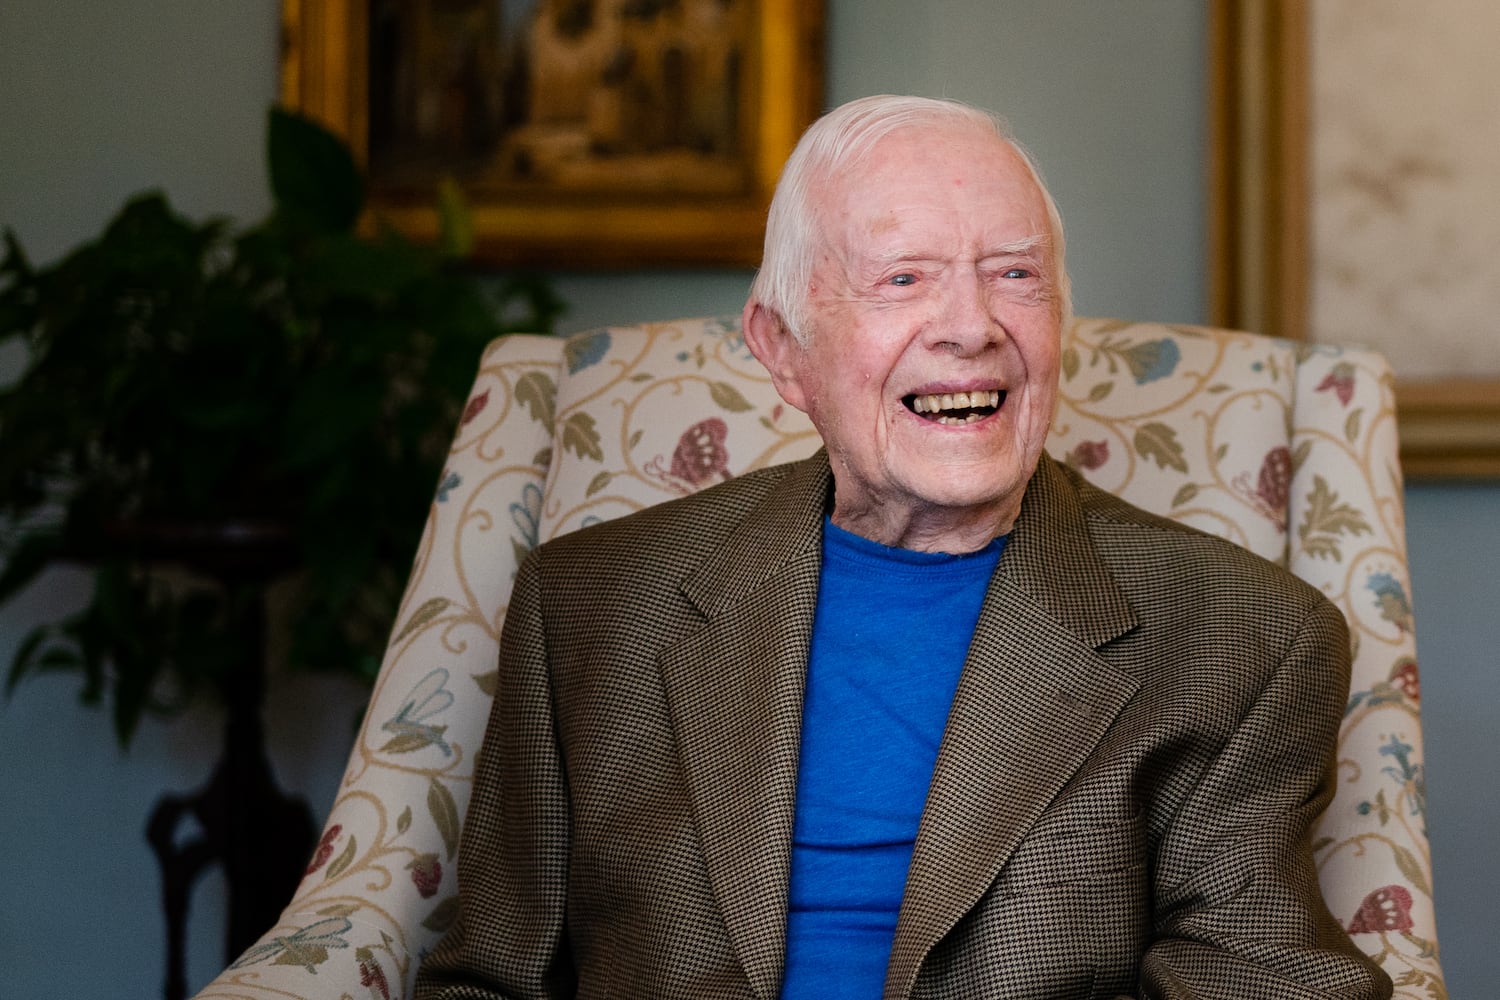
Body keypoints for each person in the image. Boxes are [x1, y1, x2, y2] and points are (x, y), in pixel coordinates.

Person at [414, 95, 1391, 999]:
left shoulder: (1246, 635)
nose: (971, 328)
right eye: (904, 279)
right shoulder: (589, 604)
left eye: (1014, 274)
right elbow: (492, 980)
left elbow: (1263, 983)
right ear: (784, 347)